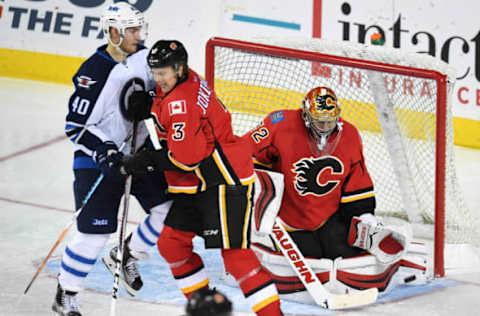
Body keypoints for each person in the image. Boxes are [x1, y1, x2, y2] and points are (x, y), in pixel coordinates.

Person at [119, 40, 284, 316]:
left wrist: (144, 162)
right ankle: (206, 310)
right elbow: (174, 110)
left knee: (235, 258)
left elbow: (185, 159)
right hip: (201, 181)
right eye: (155, 73)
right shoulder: (188, 79)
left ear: (179, 68)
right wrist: (150, 103)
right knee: (172, 244)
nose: (158, 79)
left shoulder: (181, 103)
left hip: (225, 179)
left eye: (163, 73)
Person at [242, 86, 423, 299]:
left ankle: (371, 232)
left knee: (343, 254)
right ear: (306, 115)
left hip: (328, 217)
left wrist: (363, 215)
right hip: (287, 219)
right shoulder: (278, 123)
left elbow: (356, 182)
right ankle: (259, 239)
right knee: (312, 256)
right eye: (320, 121)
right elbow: (245, 152)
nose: (326, 127)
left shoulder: (350, 135)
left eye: (331, 120)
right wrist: (263, 192)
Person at [52, 3, 171, 315]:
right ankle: (66, 293)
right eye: (131, 30)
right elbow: (75, 127)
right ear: (114, 32)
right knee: (94, 233)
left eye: (138, 28)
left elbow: (164, 94)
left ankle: (126, 254)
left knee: (167, 209)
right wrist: (106, 151)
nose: (138, 35)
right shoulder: (93, 73)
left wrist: (153, 104)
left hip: (138, 154)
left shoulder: (146, 58)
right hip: (98, 162)